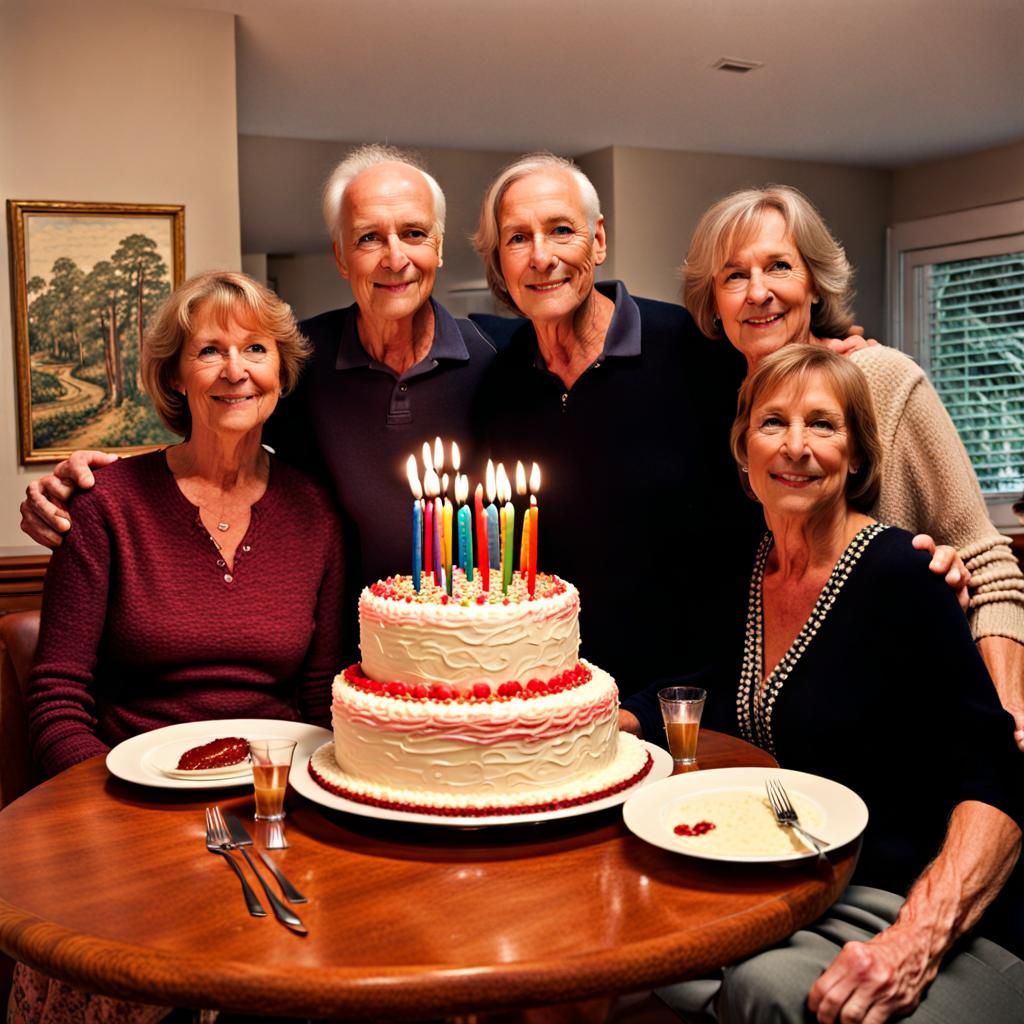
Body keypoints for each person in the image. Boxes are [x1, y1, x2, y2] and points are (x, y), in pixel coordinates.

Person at [19, 145, 496, 664]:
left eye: (414, 233)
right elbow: (223, 425)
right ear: (340, 256)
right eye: (368, 238)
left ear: (440, 247)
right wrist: (97, 488)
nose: (395, 257)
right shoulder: (302, 362)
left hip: (481, 651)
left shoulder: (501, 359)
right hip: (344, 661)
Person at [659, 345, 1024, 1023]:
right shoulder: (739, 577)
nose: (796, 447)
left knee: (762, 989)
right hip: (787, 893)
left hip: (916, 908)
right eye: (773, 423)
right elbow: (679, 698)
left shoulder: (906, 577)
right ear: (743, 449)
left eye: (822, 425)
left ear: (855, 455)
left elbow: (998, 783)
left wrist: (913, 940)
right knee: (651, 969)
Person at [14, 271, 343, 1022]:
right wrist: (114, 810)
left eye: (256, 348)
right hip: (128, 815)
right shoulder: (105, 506)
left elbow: (318, 698)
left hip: (273, 810)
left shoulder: (315, 511)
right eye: (210, 350)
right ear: (174, 375)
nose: (235, 370)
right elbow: (59, 696)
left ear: (281, 372)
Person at [669, 184, 1024, 746]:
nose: (757, 292)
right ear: (714, 302)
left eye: (779, 266)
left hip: (901, 728)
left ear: (813, 283)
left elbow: (988, 562)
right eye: (734, 276)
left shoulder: (881, 379)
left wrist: (1007, 717)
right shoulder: (717, 402)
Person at [471, 153, 759, 698]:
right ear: (499, 263)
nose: (541, 257)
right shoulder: (500, 381)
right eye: (517, 239)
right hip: (553, 695)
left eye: (561, 231)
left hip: (689, 698)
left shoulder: (694, 350)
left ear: (598, 241)